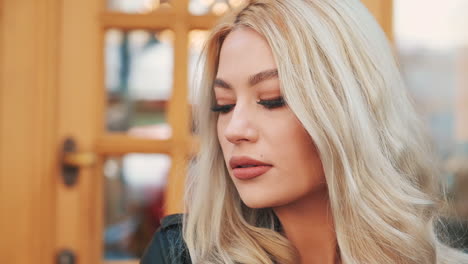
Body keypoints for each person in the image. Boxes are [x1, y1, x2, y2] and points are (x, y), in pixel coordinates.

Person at [141, 0, 468, 263]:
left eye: (272, 100)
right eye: (223, 105)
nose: (234, 130)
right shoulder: (181, 255)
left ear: (348, 110)